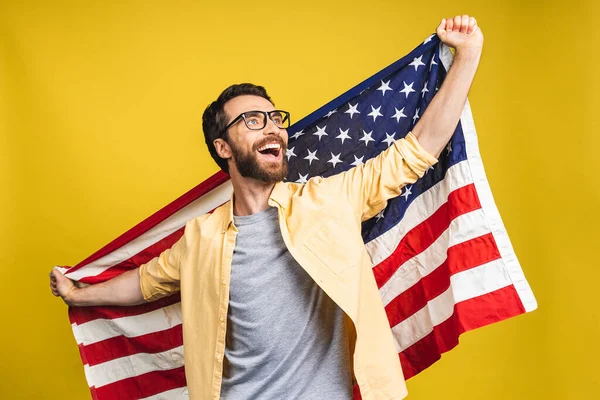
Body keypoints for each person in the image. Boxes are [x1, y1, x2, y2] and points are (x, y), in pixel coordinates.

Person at [50, 15, 483, 400]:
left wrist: (466, 56)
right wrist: (79, 293)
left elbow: (417, 150)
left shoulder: (329, 200)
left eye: (276, 118)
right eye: (253, 120)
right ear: (223, 147)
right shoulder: (200, 237)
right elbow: (144, 284)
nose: (272, 127)